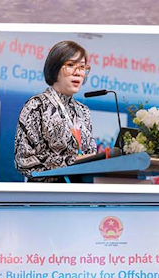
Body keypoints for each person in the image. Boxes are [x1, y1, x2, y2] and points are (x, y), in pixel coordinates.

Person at [14, 40, 97, 182]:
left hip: (83, 190)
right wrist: (72, 161)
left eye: (82, 67)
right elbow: (23, 160)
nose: (78, 73)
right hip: (48, 193)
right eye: (70, 65)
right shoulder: (36, 106)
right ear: (55, 68)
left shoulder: (84, 111)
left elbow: (90, 154)